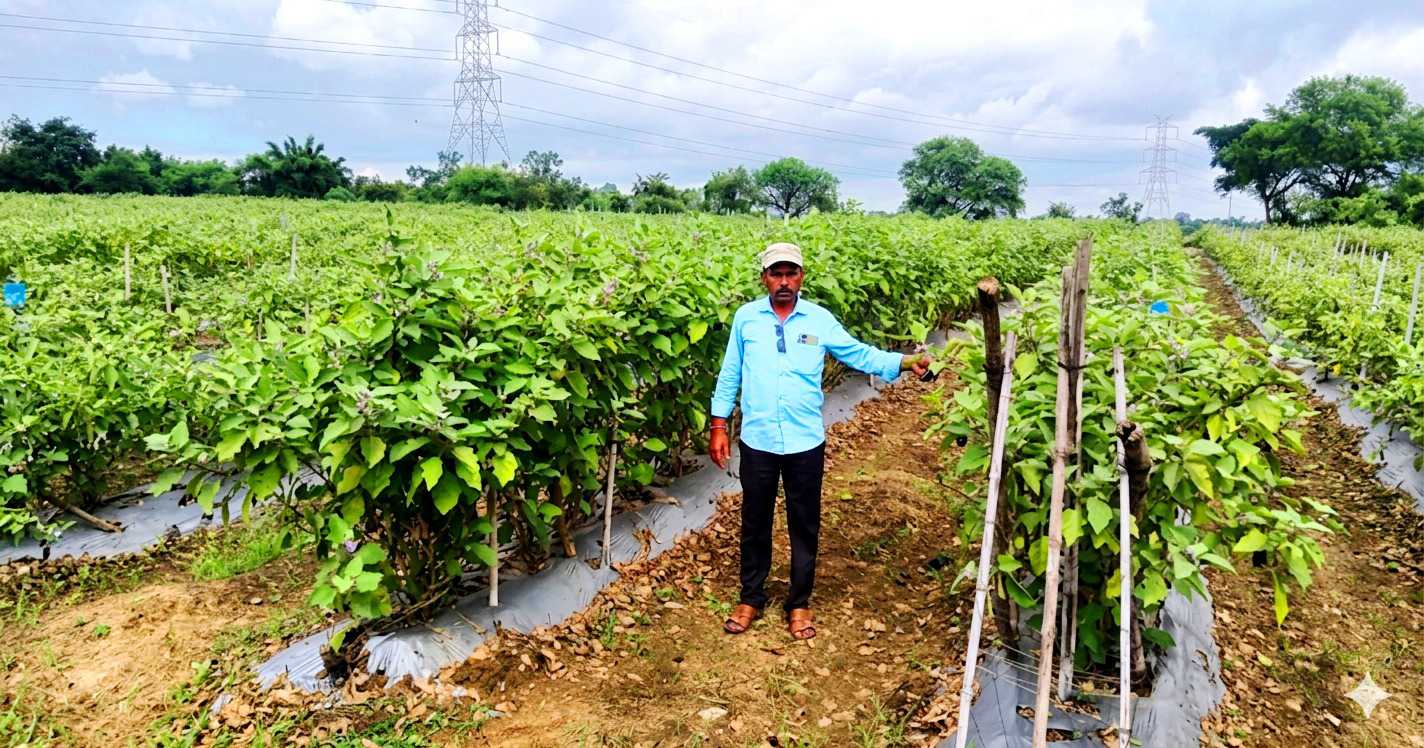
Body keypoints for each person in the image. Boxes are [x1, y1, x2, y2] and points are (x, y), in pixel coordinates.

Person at [708, 242, 931, 640]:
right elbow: (730, 373)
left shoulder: (819, 320)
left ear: (801, 277)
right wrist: (719, 425)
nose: (783, 281)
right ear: (764, 279)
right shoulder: (747, 319)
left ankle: (799, 603)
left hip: (805, 441)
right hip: (758, 439)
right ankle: (750, 597)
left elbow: (859, 354)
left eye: (790, 273)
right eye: (776, 274)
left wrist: (903, 362)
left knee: (804, 523)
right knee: (755, 521)